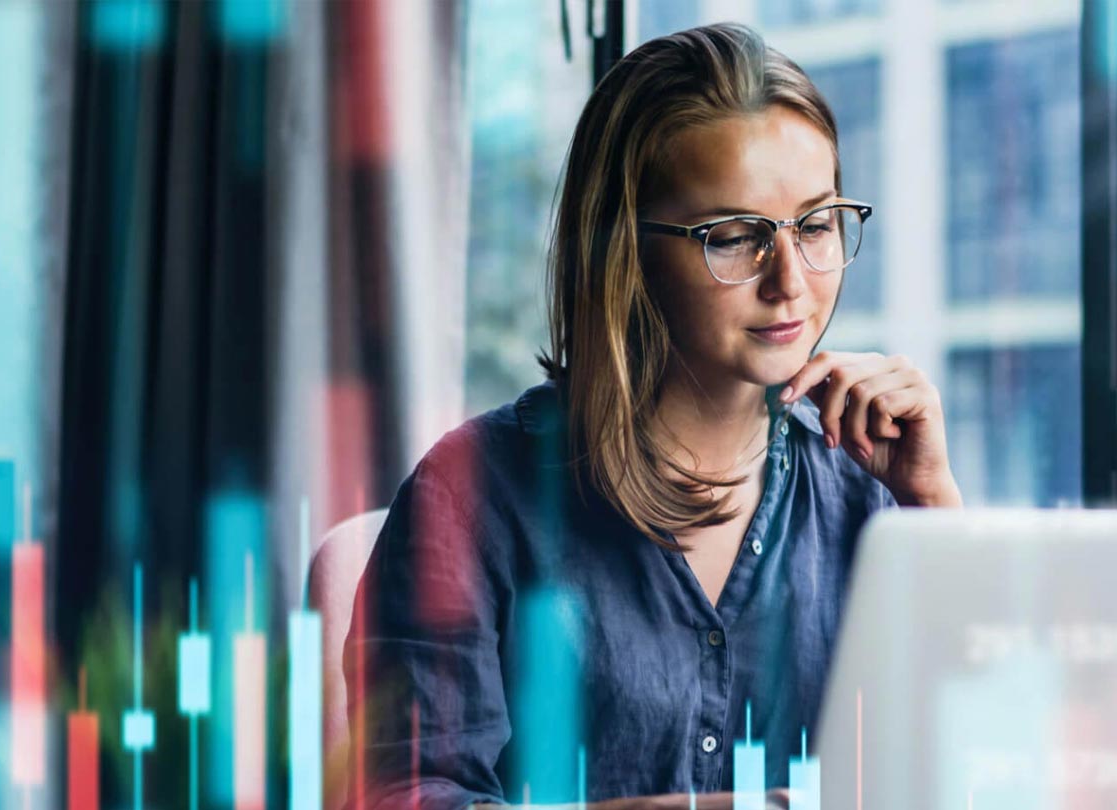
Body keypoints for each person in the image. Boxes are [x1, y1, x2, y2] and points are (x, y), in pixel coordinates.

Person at [343, 21, 962, 810]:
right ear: (623, 251)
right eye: (735, 237)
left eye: (815, 225)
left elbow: (987, 768)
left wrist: (935, 513)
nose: (791, 283)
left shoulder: (872, 500)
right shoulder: (470, 498)